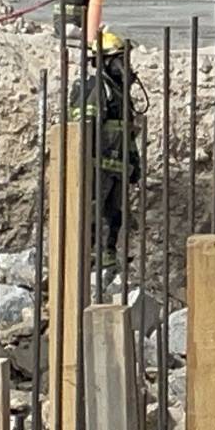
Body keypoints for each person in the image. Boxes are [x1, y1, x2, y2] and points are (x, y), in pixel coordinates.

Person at [68, 28, 141, 268]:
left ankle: (106, 255)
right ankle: (87, 256)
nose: (125, 65)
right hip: (97, 166)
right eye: (121, 59)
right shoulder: (97, 87)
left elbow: (126, 132)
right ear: (106, 61)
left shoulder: (119, 93)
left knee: (114, 216)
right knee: (91, 212)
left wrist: (134, 162)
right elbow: (83, 127)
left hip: (117, 167)